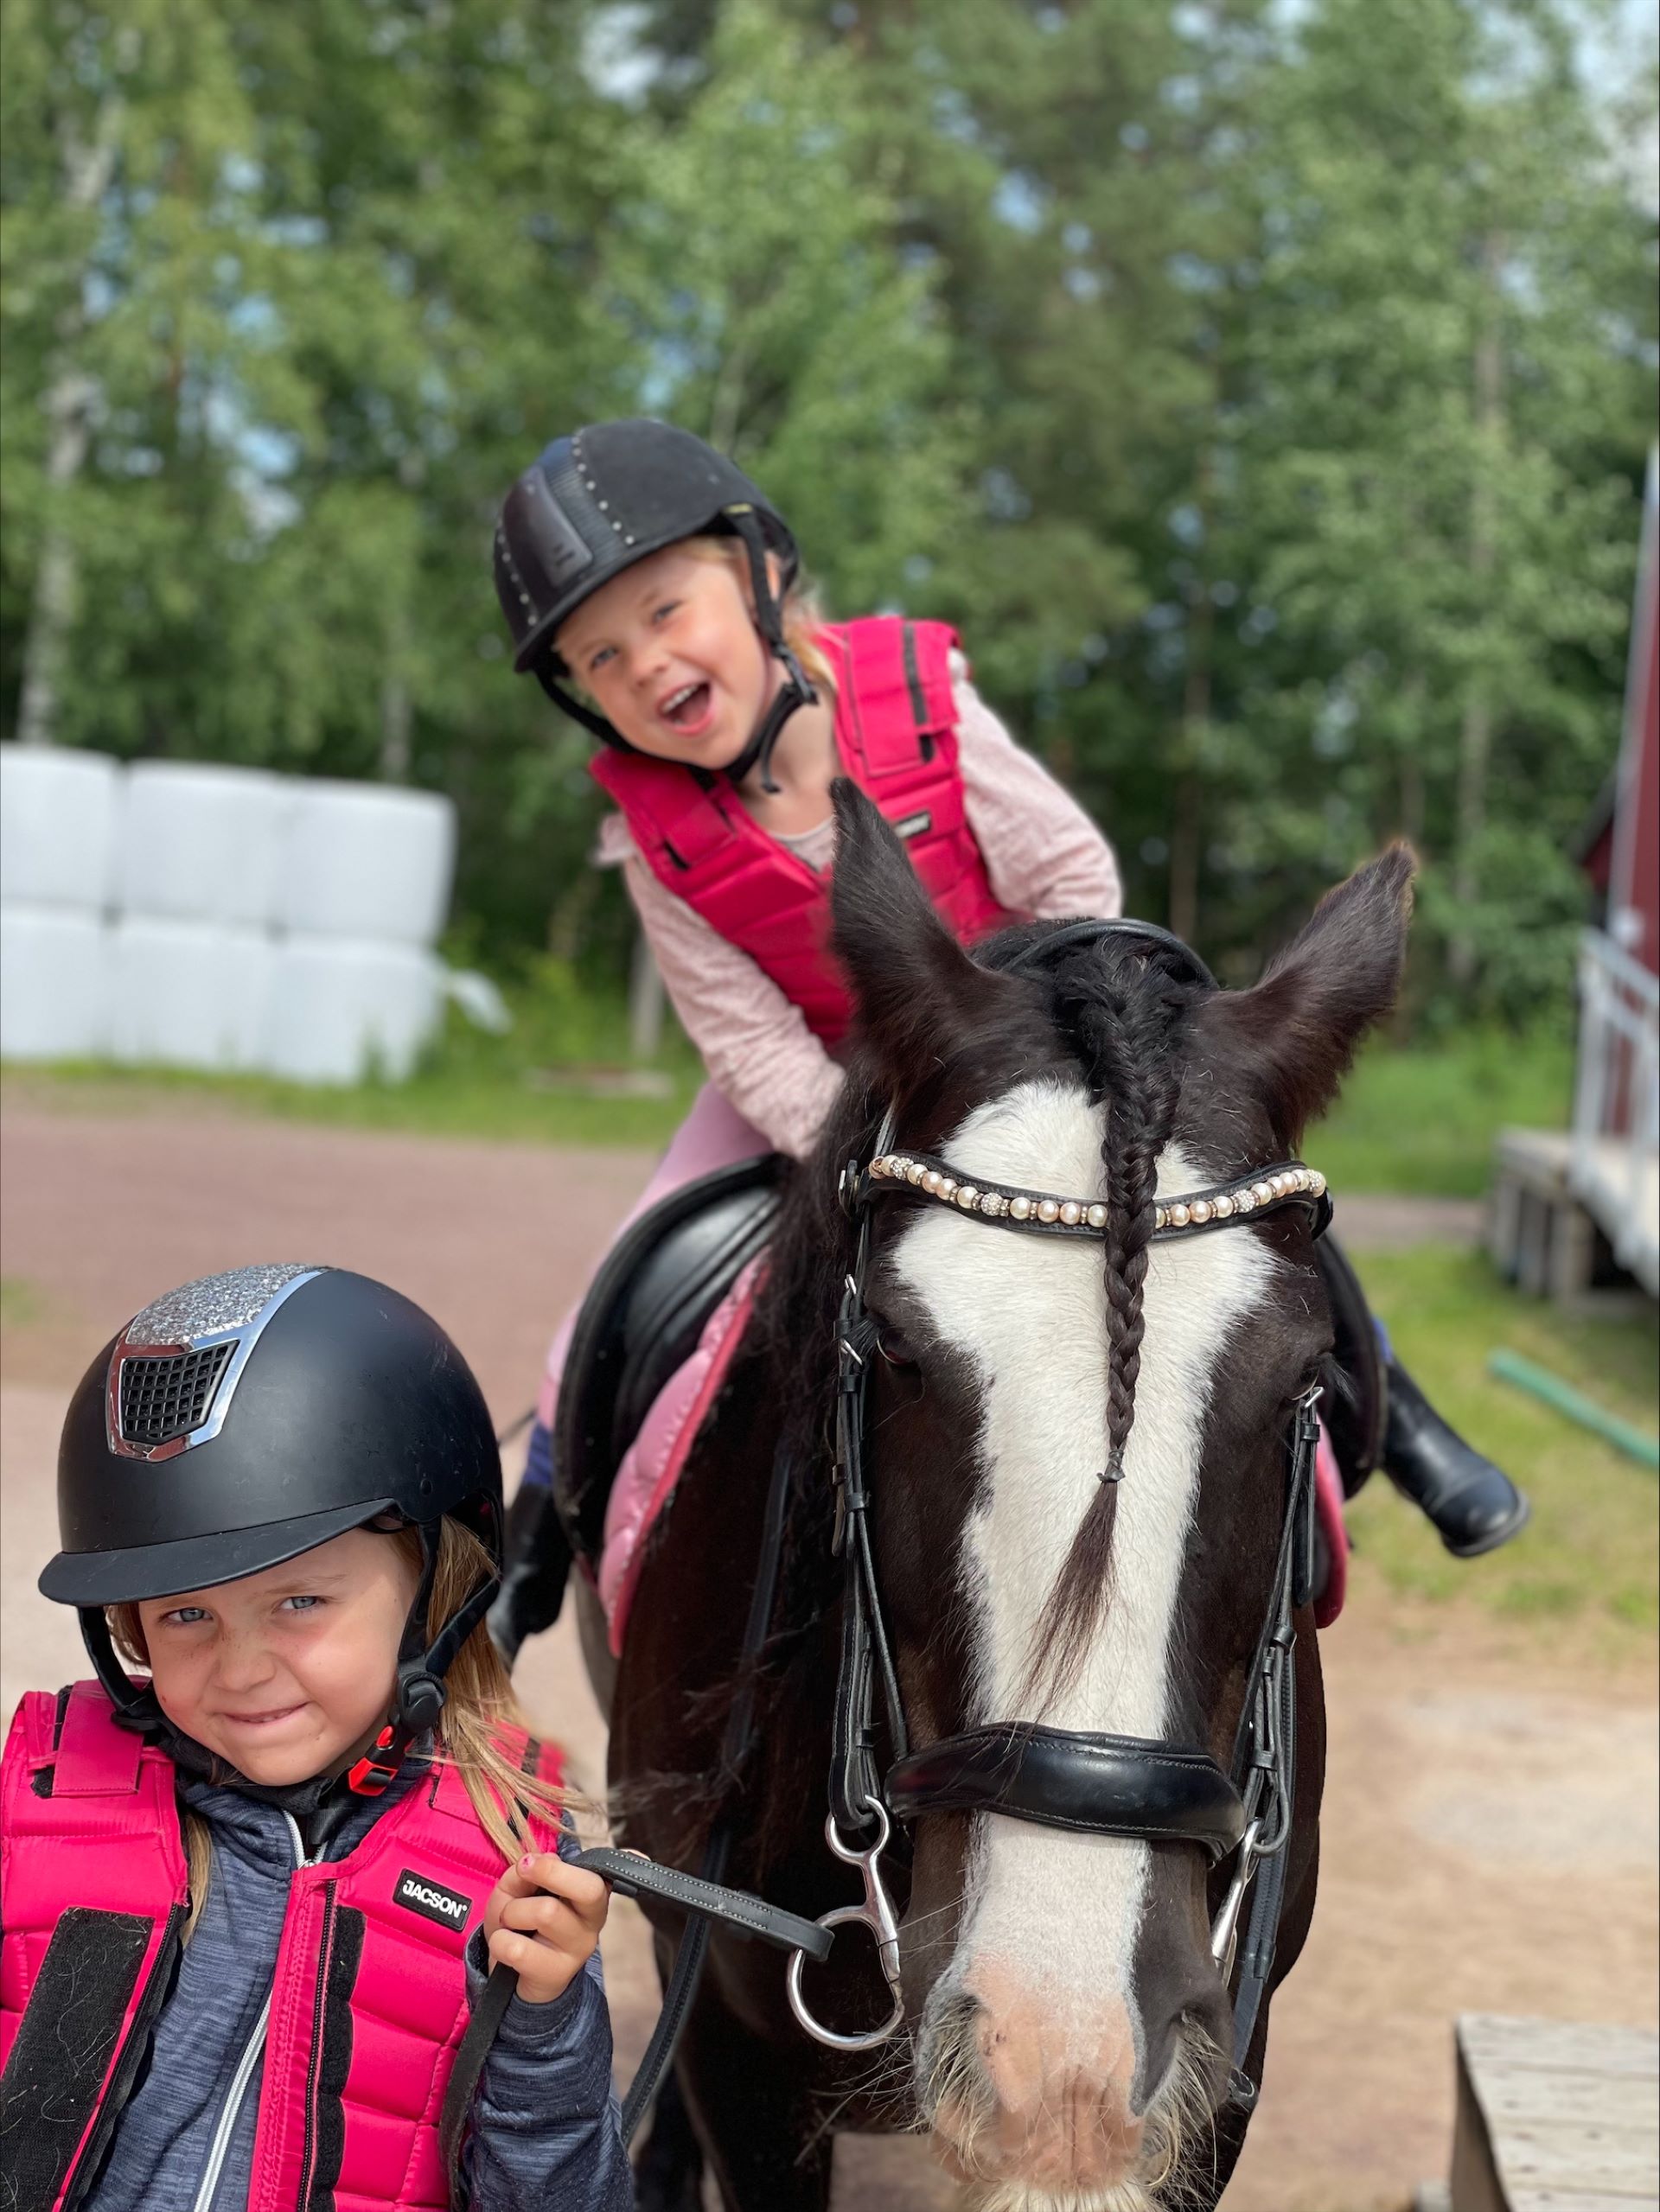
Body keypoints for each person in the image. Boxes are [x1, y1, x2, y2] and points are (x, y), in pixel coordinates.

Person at [486, 418, 1528, 1658]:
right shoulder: (654, 839)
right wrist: (862, 1135)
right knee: (634, 1255)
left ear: (757, 572)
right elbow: (742, 1034)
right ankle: (546, 1514)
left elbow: (1069, 866)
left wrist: (1028, 1030)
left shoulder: (917, 698)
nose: (645, 662)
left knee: (1236, 1188)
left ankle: (1401, 1418)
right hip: (813, 1084)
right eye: (601, 656)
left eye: (665, 610)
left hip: (1024, 1016)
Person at [0, 1263, 632, 2212]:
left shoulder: (511, 1878)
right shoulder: (41, 1813)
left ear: (438, 1584)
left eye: (299, 1602)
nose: (243, 1667)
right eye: (184, 1617)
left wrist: (544, 2032)